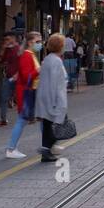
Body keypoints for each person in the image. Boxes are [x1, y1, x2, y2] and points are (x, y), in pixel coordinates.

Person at [5, 30, 43, 159]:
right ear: (30, 42)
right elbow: (27, 76)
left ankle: (12, 148)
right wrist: (38, 70)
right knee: (22, 120)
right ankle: (11, 148)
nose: (40, 44)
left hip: (30, 91)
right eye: (38, 41)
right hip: (26, 92)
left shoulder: (31, 54)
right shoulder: (27, 55)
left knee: (27, 119)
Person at [35, 33, 70, 163]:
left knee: (48, 124)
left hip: (45, 96)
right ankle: (46, 149)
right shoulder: (56, 61)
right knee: (54, 124)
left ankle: (47, 150)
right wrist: (58, 102)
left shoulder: (47, 59)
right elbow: (56, 83)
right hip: (53, 98)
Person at [0, 33, 20, 127]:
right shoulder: (7, 50)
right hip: (9, 77)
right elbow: (0, 60)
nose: (5, 41)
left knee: (22, 97)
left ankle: (30, 116)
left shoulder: (19, 49)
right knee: (4, 97)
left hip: (19, 77)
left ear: (13, 39)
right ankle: (3, 119)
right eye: (4, 39)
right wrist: (3, 48)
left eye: (7, 39)